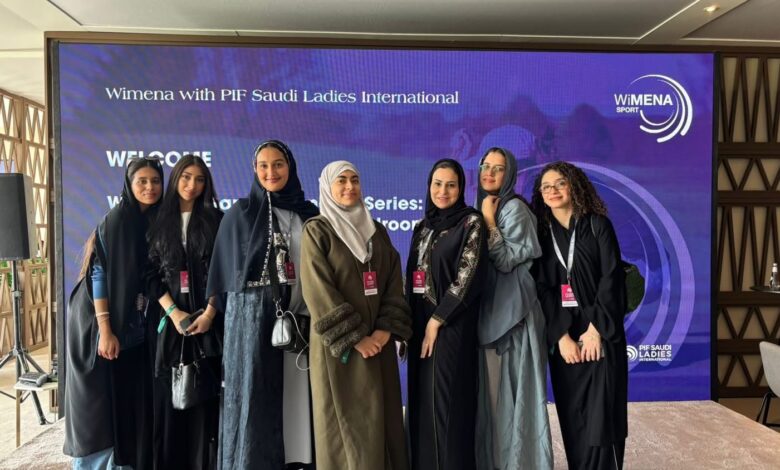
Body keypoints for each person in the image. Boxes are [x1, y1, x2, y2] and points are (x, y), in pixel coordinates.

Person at [206, 140, 319, 469]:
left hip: (303, 319)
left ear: (290, 166)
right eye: (264, 165)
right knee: (257, 398)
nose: (271, 172)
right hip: (253, 324)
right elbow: (225, 276)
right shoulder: (240, 214)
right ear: (254, 170)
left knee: (298, 397)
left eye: (278, 164)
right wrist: (210, 313)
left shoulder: (309, 213)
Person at [300, 161, 411, 470]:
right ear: (327, 187)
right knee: (346, 431)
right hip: (341, 351)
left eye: (354, 180)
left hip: (379, 345)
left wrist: (384, 331)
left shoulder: (377, 231)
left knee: (384, 422)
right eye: (341, 181)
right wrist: (357, 338)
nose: (350, 187)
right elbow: (319, 291)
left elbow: (393, 282)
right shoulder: (317, 230)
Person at [64, 157, 164, 469]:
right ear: (129, 185)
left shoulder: (150, 221)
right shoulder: (119, 221)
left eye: (155, 181)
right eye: (142, 181)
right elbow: (99, 274)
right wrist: (105, 331)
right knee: (96, 405)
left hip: (125, 323)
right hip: (95, 320)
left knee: (122, 401)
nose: (149, 187)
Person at [530, 161, 628, 470]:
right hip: (566, 341)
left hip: (600, 336)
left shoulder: (598, 225)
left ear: (574, 186)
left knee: (603, 419)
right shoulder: (542, 234)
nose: (553, 191)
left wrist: (595, 330)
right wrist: (561, 338)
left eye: (560, 183)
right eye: (546, 187)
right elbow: (542, 289)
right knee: (574, 420)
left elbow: (612, 279)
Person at [406, 158, 487, 470]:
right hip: (419, 326)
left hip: (451, 327)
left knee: (446, 405)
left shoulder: (470, 223)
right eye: (437, 184)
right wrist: (406, 325)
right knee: (421, 404)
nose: (443, 191)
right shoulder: (423, 227)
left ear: (461, 188)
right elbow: (412, 278)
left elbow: (468, 277)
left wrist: (437, 321)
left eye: (451, 185)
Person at [475, 147, 553, 470]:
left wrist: (489, 221)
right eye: (486, 166)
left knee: (514, 402)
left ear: (510, 174)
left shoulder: (513, 209)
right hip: (493, 317)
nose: (490, 173)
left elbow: (506, 260)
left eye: (499, 168)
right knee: (494, 403)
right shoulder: (483, 206)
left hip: (515, 321)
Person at [145, 155, 223, 469]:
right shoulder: (157, 221)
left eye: (199, 179)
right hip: (170, 324)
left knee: (205, 402)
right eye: (186, 177)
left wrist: (210, 314)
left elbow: (224, 271)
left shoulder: (217, 220)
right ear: (176, 178)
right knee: (170, 401)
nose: (192, 185)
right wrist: (174, 313)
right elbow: (150, 275)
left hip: (209, 322)